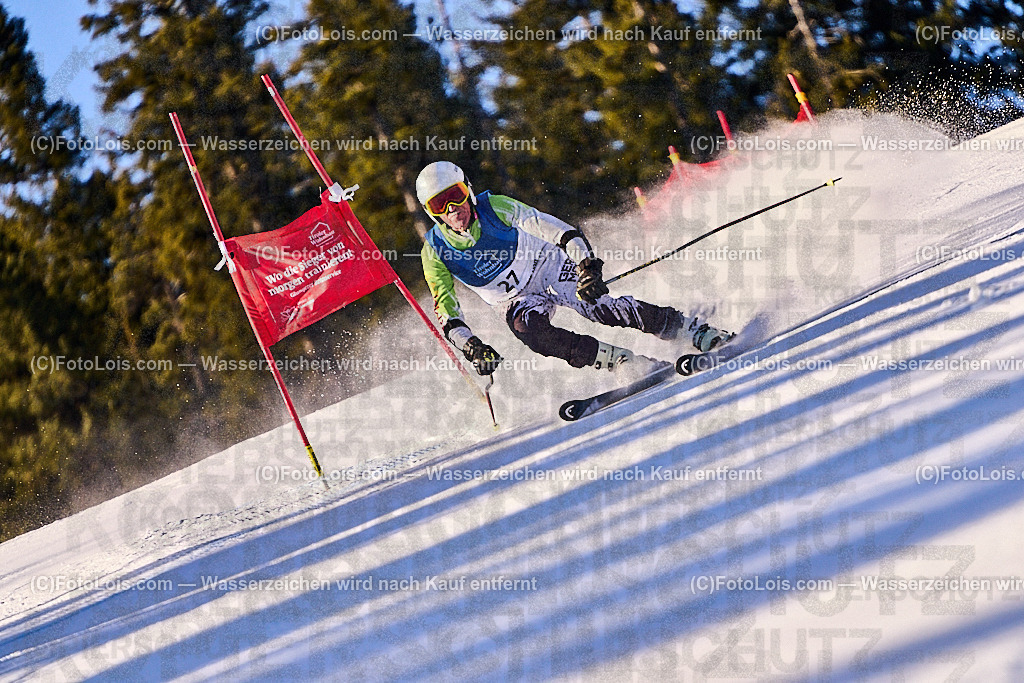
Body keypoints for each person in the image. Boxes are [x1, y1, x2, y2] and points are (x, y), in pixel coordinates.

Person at [415, 161, 733, 376]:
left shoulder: (494, 206)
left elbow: (556, 230)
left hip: (548, 267)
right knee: (533, 335)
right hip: (513, 301)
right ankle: (623, 363)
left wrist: (586, 265)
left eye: (454, 196)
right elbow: (446, 310)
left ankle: (692, 330)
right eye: (438, 205)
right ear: (431, 213)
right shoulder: (435, 251)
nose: (452, 210)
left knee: (597, 306)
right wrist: (470, 346)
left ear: (467, 190)